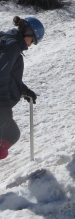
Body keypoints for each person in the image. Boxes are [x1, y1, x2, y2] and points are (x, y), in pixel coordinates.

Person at [0, 16, 44, 159]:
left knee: (12, 134)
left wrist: (23, 90)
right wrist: (4, 102)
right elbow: (1, 74)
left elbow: (10, 75)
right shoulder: (12, 45)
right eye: (32, 40)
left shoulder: (7, 41)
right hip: (1, 103)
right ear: (28, 33)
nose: (30, 45)